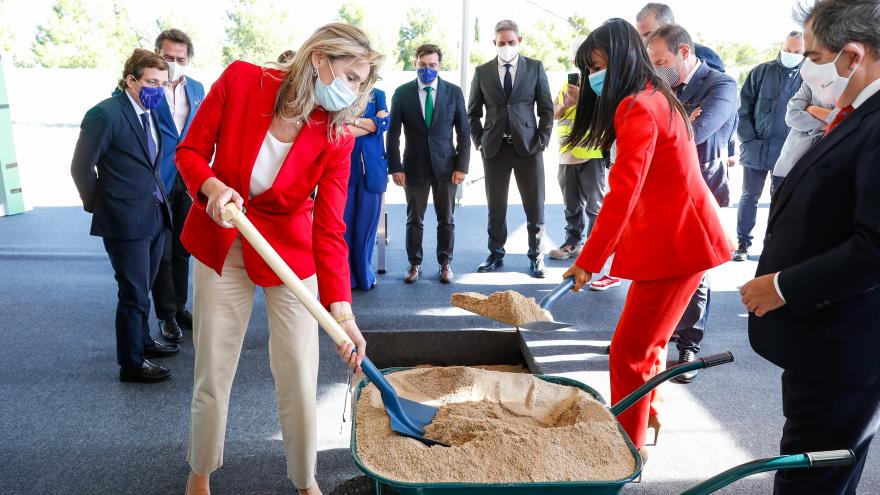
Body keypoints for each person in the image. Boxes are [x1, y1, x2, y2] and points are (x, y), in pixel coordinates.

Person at [175, 23, 381, 495]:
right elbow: (189, 152)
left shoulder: (337, 137)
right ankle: (200, 472)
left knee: (298, 370)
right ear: (319, 60)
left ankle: (305, 481)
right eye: (348, 76)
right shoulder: (243, 81)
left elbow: (330, 229)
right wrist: (211, 189)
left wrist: (342, 310)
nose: (352, 90)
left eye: (360, 81)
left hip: (288, 253)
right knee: (214, 365)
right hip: (224, 240)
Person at [562, 18, 729, 461]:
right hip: (677, 240)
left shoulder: (637, 104)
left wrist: (589, 258)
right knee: (649, 344)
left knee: (628, 352)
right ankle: (647, 415)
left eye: (597, 66)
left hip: (677, 244)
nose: (594, 77)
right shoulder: (657, 95)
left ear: (618, 61)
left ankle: (625, 449)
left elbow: (624, 189)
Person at [740, 1, 880, 493]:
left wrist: (782, 286)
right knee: (814, 464)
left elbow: (875, 248)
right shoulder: (857, 114)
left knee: (813, 475)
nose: (807, 65)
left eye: (815, 54)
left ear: (851, 57)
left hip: (846, 343)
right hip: (825, 338)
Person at [70, 49, 178, 383]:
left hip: (154, 214)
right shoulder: (104, 114)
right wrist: (103, 206)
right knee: (132, 292)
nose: (157, 89)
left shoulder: (152, 111)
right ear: (130, 80)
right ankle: (131, 363)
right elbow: (81, 168)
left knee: (144, 287)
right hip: (125, 220)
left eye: (162, 83)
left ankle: (143, 342)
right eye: (150, 81)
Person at [647, 23, 738, 383]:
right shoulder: (661, 84)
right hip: (662, 189)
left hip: (702, 188)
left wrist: (677, 122)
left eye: (662, 61)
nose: (657, 69)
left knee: (694, 270)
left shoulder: (721, 85)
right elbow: (649, 130)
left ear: (685, 52)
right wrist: (685, 115)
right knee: (660, 263)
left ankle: (689, 343)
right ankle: (658, 333)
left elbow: (693, 136)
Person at [468, 19, 553, 278]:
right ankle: (495, 253)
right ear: (495, 43)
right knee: (496, 205)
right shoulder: (482, 71)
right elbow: (472, 113)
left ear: (520, 41)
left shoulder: (535, 68)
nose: (506, 46)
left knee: (534, 204)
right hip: (494, 149)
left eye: (511, 42)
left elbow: (546, 109)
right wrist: (479, 141)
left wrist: (542, 140)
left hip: (528, 148)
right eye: (502, 43)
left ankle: (536, 256)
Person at [388, 44, 470, 284]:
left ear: (439, 66)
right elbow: (392, 134)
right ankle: (414, 264)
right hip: (413, 167)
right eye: (423, 65)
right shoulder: (402, 93)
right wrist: (395, 167)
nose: (427, 70)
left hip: (447, 168)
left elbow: (464, 132)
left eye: (432, 65)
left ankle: (445, 264)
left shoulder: (454, 92)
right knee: (414, 219)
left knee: (446, 218)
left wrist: (462, 166)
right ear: (415, 63)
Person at [548, 38, 621, 291]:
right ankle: (572, 242)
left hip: (590, 155)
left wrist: (584, 101)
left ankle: (594, 249)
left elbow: (607, 114)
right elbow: (552, 112)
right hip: (566, 155)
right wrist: (565, 105)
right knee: (571, 204)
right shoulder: (566, 86)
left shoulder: (599, 88)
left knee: (595, 206)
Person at [150, 29, 205, 342]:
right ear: (158, 54)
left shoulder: (197, 89)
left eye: (179, 58)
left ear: (188, 59)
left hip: (188, 181)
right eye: (168, 57)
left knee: (184, 248)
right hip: (157, 179)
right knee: (163, 251)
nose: (173, 63)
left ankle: (180, 306)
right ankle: (166, 315)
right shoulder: (149, 87)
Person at [733, 32, 805, 262]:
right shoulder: (761, 72)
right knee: (749, 196)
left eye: (797, 52)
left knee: (780, 201)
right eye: (788, 50)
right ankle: (743, 244)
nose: (791, 55)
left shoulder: (808, 78)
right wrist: (749, 140)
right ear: (781, 46)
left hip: (788, 152)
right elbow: (743, 109)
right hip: (756, 148)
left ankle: (772, 247)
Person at [343, 87, 390, 290]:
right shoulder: (341, 91)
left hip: (373, 170)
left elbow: (384, 123)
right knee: (344, 227)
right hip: (345, 169)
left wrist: (353, 121)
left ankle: (364, 274)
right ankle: (347, 277)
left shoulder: (378, 94)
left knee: (366, 228)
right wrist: (371, 124)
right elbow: (340, 129)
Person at [771, 80, 834, 181]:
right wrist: (825, 125)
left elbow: (847, 119)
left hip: (827, 170)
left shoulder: (857, 84)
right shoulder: (811, 82)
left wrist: (812, 109)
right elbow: (792, 116)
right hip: (789, 169)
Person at [635, 3, 725, 72]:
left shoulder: (704, 54)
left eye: (649, 34)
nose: (643, 42)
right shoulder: (644, 63)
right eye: (640, 37)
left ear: (670, 26)